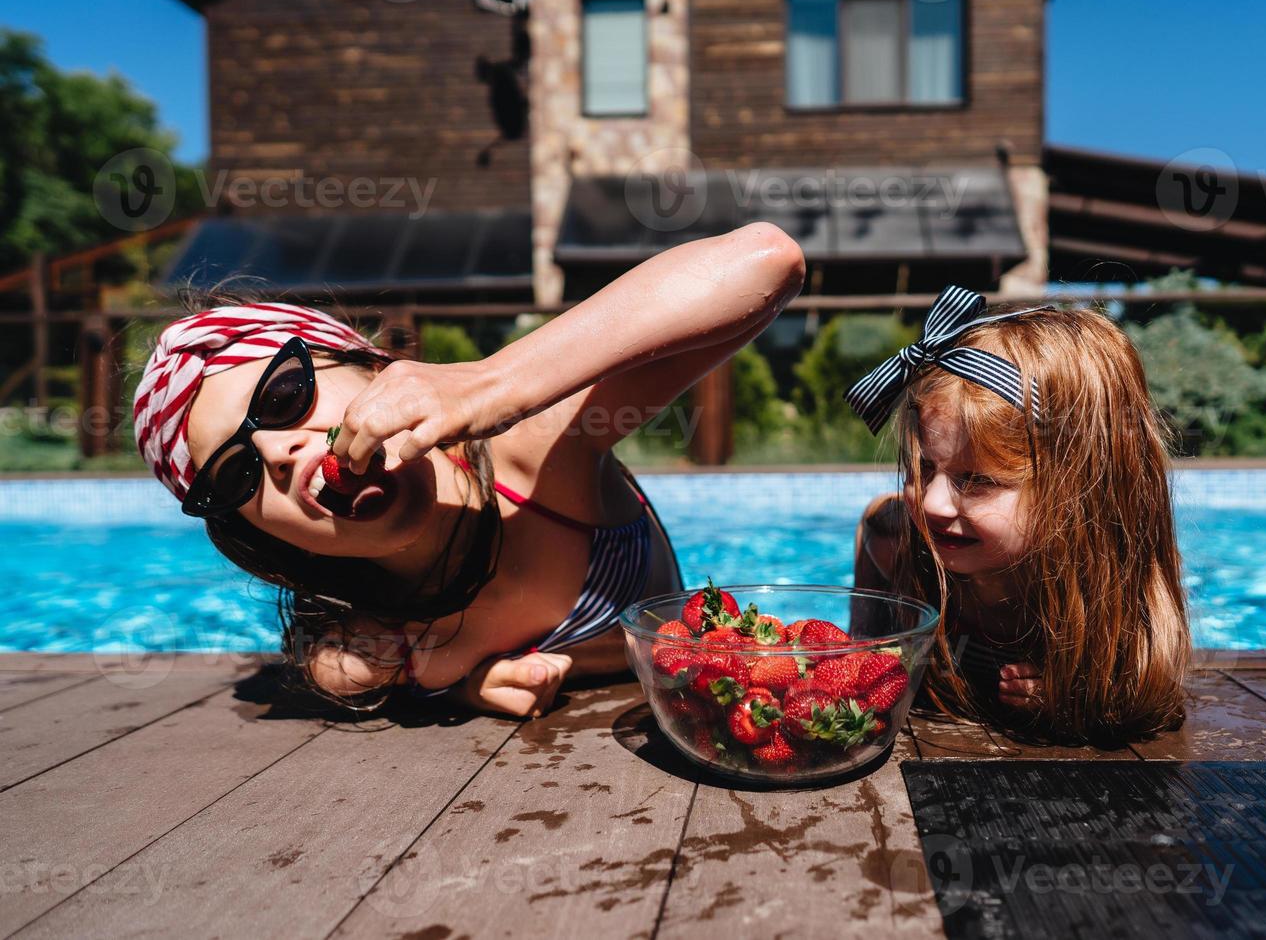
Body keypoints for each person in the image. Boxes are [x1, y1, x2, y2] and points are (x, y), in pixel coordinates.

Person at [132, 223, 806, 717]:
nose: (277, 454)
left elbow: (766, 260)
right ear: (265, 539)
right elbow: (331, 667)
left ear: (369, 366)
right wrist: (462, 683)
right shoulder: (367, 632)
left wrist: (494, 381)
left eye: (283, 397)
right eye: (234, 478)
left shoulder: (532, 449)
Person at [847, 286, 1191, 744]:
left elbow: (1152, 696)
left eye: (978, 481)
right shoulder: (892, 542)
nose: (931, 502)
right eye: (924, 467)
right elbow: (858, 667)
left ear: (1079, 492)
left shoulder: (1112, 597)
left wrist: (1078, 696)